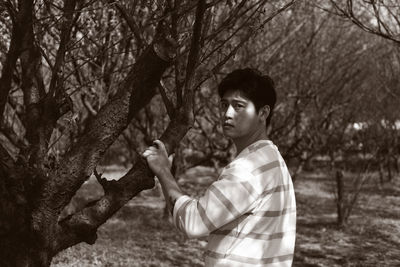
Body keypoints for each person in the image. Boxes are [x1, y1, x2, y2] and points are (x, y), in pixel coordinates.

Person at [142, 68, 296, 267]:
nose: (227, 114)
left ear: (263, 113)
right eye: (224, 105)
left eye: (238, 106)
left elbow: (194, 223)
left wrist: (163, 171)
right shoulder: (271, 159)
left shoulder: (251, 168)